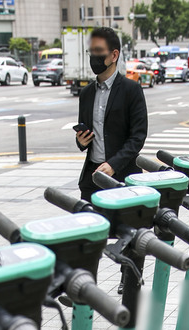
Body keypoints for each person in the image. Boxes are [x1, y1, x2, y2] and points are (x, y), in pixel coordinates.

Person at [75, 26, 148, 201]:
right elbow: (84, 133)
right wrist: (81, 141)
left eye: (99, 51)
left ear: (114, 55)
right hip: (91, 178)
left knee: (120, 228)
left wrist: (113, 165)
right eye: (91, 51)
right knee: (90, 227)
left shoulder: (131, 90)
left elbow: (138, 136)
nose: (94, 57)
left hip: (122, 176)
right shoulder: (86, 94)